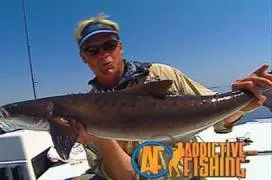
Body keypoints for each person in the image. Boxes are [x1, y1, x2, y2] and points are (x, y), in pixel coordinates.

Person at [69, 14, 272, 180]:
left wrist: (243, 104)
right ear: (83, 57)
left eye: (109, 46)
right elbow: (125, 176)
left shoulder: (162, 74)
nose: (103, 55)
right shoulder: (82, 111)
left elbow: (221, 122)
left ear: (120, 47)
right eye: (92, 50)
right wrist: (101, 137)